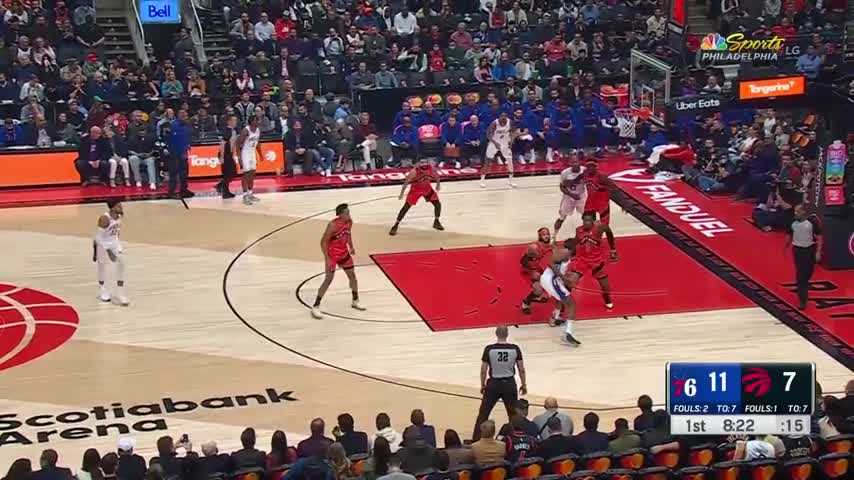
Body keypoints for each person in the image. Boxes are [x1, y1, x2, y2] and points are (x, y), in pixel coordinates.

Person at [472, 325, 527, 441]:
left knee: (484, 413)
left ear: (496, 334)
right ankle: (516, 439)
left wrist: (482, 384)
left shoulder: (489, 349)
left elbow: (483, 369)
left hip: (494, 384)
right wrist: (523, 384)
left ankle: (476, 439)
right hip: (509, 384)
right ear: (507, 334)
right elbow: (521, 368)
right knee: (512, 414)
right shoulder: (515, 349)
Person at [311, 204, 366, 319]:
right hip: (332, 255)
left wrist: (351, 246)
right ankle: (315, 306)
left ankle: (355, 300)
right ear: (340, 214)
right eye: (346, 212)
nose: (349, 214)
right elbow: (323, 242)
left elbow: (348, 234)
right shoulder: (332, 225)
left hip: (344, 253)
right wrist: (327, 257)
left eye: (349, 211)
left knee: (353, 277)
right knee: (328, 280)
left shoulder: (350, 221)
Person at [389, 158, 444, 236]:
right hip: (416, 190)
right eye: (422, 162)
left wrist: (438, 184)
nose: (424, 164)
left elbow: (436, 176)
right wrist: (401, 194)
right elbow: (405, 183)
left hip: (427, 189)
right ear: (418, 163)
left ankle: (436, 221)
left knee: (437, 204)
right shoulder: (414, 172)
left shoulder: (430, 168)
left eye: (425, 162)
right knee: (406, 207)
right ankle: (396, 225)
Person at [541, 239, 580, 345]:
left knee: (561, 298)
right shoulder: (566, 252)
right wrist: (562, 277)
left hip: (552, 279)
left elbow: (555, 253)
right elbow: (550, 263)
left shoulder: (565, 253)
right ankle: (567, 334)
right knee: (572, 304)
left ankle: (555, 319)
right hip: (551, 280)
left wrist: (566, 278)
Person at [784, 204, 823, 310]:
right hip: (797, 250)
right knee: (801, 276)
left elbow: (819, 237)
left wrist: (818, 252)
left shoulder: (812, 222)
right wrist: (785, 248)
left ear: (803, 212)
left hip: (809, 250)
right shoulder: (792, 223)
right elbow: (788, 235)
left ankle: (803, 286)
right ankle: (802, 300)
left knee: (808, 273)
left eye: (797, 211)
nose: (795, 213)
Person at [572, 212, 613, 310]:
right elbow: (576, 241)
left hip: (596, 261)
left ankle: (607, 299)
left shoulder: (599, 228)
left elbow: (609, 232)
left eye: (588, 221)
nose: (586, 223)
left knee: (605, 287)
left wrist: (613, 248)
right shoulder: (578, 230)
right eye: (584, 220)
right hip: (582, 260)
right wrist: (571, 252)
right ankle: (563, 303)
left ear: (593, 221)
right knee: (571, 282)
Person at [93, 199, 128, 306]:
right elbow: (98, 238)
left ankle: (119, 292)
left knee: (121, 263)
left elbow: (117, 231)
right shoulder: (104, 218)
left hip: (114, 242)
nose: (121, 208)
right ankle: (102, 289)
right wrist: (106, 251)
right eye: (118, 206)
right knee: (102, 266)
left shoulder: (120, 216)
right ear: (112, 208)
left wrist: (117, 244)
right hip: (102, 243)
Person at [583, 160, 618, 261]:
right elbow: (576, 180)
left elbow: (614, 187)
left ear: (596, 167)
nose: (590, 168)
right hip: (590, 202)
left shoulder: (602, 177)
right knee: (587, 226)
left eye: (592, 166)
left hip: (602, 203)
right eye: (588, 166)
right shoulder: (584, 175)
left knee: (605, 228)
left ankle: (613, 250)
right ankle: (588, 248)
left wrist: (624, 204)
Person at [520, 227, 552, 314]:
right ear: (540, 236)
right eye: (544, 235)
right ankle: (525, 303)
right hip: (528, 271)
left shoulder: (548, 245)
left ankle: (538, 296)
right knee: (539, 290)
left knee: (550, 281)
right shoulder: (534, 247)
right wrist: (532, 271)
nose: (547, 236)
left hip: (537, 268)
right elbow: (523, 261)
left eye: (548, 234)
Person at [481, 111, 516, 188]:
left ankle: (511, 181)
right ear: (499, 118)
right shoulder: (494, 123)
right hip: (494, 143)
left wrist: (511, 140)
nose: (503, 120)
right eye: (501, 118)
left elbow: (513, 131)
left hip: (505, 143)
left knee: (510, 161)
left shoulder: (510, 122)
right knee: (488, 161)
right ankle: (482, 180)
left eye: (504, 118)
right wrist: (495, 143)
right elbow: (488, 135)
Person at [554, 157, 586, 239]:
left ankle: (588, 234)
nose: (574, 164)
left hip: (581, 196)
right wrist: (571, 195)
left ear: (580, 162)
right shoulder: (565, 173)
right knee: (562, 217)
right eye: (573, 162)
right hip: (568, 197)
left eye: (576, 162)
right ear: (570, 163)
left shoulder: (584, 170)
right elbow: (562, 187)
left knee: (587, 216)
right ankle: (553, 236)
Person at [238, 115, 263, 205]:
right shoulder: (245, 130)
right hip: (245, 153)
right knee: (246, 174)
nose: (258, 122)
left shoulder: (258, 130)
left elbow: (258, 143)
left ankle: (250, 193)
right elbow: (238, 144)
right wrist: (239, 157)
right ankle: (245, 195)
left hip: (252, 153)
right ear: (252, 121)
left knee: (252, 173)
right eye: (257, 120)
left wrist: (260, 155)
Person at [168, 109, 194, 198]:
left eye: (186, 116)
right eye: (183, 116)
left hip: (184, 151)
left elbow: (186, 137)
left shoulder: (186, 125)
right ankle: (171, 192)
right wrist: (182, 151)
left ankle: (184, 190)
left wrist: (187, 146)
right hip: (175, 153)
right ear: (178, 116)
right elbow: (174, 141)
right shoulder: (174, 126)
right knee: (174, 173)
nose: (186, 118)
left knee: (184, 172)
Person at [216, 115, 239, 199]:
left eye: (236, 120)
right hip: (225, 154)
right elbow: (222, 144)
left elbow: (233, 144)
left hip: (229, 154)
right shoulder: (227, 131)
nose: (235, 122)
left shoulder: (234, 131)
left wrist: (233, 154)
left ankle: (220, 186)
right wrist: (222, 157)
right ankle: (225, 192)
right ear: (229, 121)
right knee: (228, 173)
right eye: (234, 120)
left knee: (233, 172)